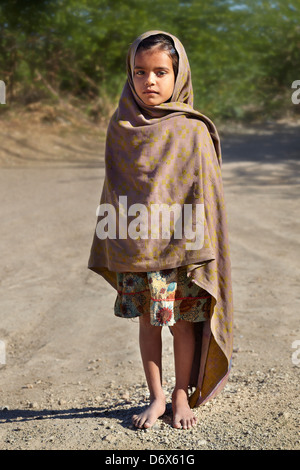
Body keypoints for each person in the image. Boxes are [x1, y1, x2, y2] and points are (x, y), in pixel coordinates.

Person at [88, 31, 233, 430]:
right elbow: (116, 192)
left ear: (178, 74)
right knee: (148, 323)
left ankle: (180, 395)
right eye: (139, 72)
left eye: (160, 72)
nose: (149, 81)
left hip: (182, 246)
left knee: (183, 322)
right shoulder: (121, 126)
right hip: (138, 245)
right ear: (129, 75)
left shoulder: (192, 129)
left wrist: (199, 244)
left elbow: (206, 197)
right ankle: (155, 397)